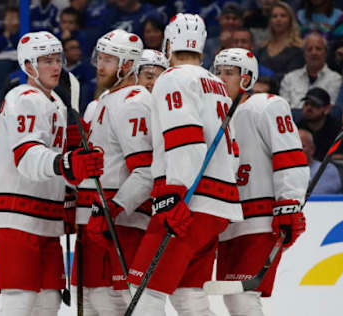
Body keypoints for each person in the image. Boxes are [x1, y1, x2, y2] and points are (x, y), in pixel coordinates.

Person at [0, 31, 104, 316]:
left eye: (57, 59)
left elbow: (59, 158)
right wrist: (67, 165)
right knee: (20, 300)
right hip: (13, 212)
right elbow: (28, 156)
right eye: (46, 60)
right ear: (28, 65)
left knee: (48, 301)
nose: (56, 66)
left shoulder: (56, 103)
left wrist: (68, 193)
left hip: (43, 214)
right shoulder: (23, 97)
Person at [127, 13, 243, 315]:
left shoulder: (173, 78)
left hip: (188, 203)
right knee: (188, 294)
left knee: (143, 292)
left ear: (168, 44)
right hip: (218, 204)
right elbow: (232, 150)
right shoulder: (215, 83)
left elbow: (187, 139)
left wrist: (173, 193)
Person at [213, 48, 309, 316]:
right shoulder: (217, 117)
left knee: (243, 298)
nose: (221, 78)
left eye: (229, 73)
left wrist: (289, 203)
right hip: (230, 223)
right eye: (217, 72)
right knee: (233, 298)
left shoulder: (267, 105)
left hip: (261, 220)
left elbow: (289, 156)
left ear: (247, 78)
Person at [73, 28, 154, 315]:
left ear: (128, 65)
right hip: (93, 218)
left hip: (118, 222)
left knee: (115, 302)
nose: (100, 65)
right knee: (94, 300)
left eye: (108, 59)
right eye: (99, 57)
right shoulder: (102, 102)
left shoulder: (135, 102)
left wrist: (114, 209)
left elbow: (145, 170)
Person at [280, 31, 342, 109]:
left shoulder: (335, 79)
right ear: (304, 54)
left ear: (325, 53)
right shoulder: (289, 79)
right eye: (309, 49)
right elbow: (283, 109)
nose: (314, 53)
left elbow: (331, 108)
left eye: (318, 49)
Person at [254, 1, 305, 81]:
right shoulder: (261, 49)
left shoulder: (298, 48)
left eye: (283, 16)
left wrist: (269, 79)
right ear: (270, 21)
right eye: (274, 16)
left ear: (290, 20)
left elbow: (293, 76)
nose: (278, 19)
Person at [297, 87, 343, 160]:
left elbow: (341, 156)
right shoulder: (297, 128)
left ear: (327, 109)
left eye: (314, 104)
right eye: (306, 104)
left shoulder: (338, 130)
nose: (309, 108)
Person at [299, 128, 342, 194]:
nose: (297, 150)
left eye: (302, 146)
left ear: (312, 149)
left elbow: (318, 196)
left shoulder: (327, 169)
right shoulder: (284, 172)